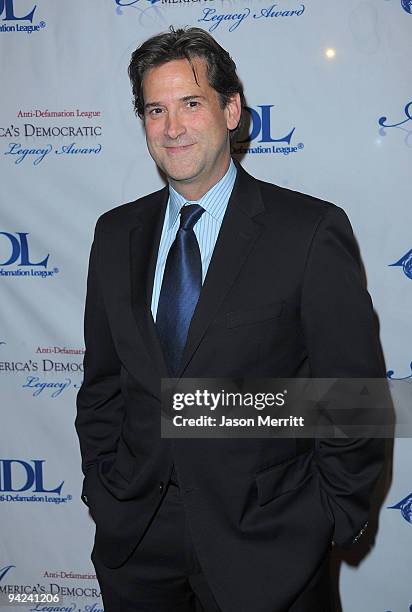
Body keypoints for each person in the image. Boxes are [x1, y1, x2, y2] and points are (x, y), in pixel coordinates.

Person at [75, 26, 386, 612]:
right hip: (138, 545)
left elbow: (356, 401)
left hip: (266, 549)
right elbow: (102, 389)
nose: (172, 128)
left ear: (232, 110)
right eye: (155, 110)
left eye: (191, 104)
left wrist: (324, 519)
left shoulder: (308, 233)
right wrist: (105, 490)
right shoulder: (114, 235)